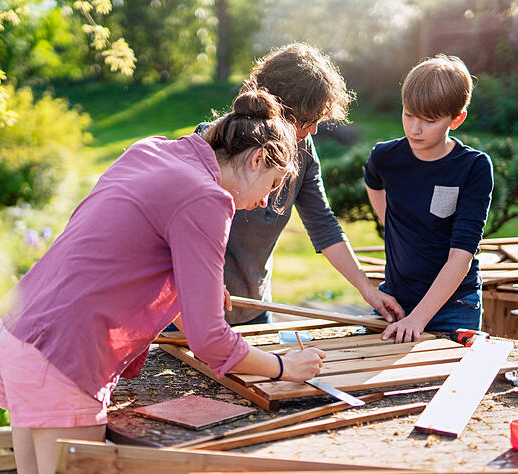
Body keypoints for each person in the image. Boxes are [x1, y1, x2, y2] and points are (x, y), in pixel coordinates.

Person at [0, 89, 327, 474]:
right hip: (59, 352)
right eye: (273, 183)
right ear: (257, 159)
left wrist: (193, 288)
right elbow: (209, 340)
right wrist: (285, 367)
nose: (265, 201)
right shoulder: (209, 198)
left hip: (17, 327)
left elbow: (115, 249)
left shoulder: (153, 149)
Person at [198, 43, 404, 327]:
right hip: (192, 310)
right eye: (309, 120)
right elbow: (181, 230)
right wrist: (201, 287)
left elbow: (323, 224)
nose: (315, 130)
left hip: (255, 309)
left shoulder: (302, 147)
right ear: (280, 110)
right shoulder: (214, 140)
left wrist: (366, 289)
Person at [363, 54, 494, 343]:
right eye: (409, 115)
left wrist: (419, 319)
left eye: (429, 120)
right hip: (395, 302)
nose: (414, 129)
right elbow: (373, 183)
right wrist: (392, 223)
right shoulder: (385, 157)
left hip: (455, 308)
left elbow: (461, 256)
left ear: (457, 119)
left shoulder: (473, 168)